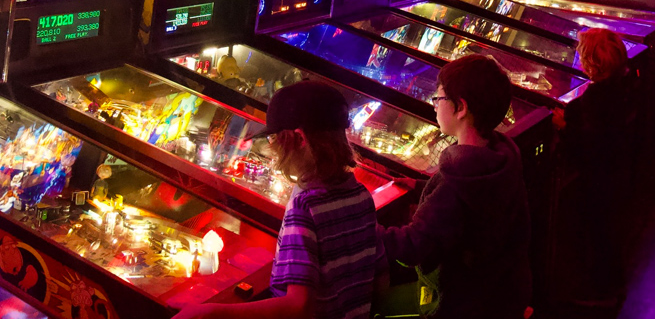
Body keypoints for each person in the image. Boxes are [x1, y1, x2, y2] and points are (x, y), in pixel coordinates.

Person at [173, 81, 387, 319]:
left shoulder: (305, 208)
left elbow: (298, 305)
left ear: (298, 139)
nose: (272, 149)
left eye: (274, 140)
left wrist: (212, 313)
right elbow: (380, 280)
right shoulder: (360, 195)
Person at [376, 54, 532, 319]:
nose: (434, 105)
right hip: (500, 292)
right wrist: (418, 185)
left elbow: (413, 247)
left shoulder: (456, 182)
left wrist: (365, 228)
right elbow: (470, 199)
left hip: (460, 302)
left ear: (460, 108)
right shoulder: (499, 156)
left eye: (439, 98)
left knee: (378, 306)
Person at [552, 28, 631, 308]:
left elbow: (591, 144)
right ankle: (612, 284)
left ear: (590, 63)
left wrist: (564, 127)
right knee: (608, 231)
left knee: (598, 232)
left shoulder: (596, 98)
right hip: (616, 173)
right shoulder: (619, 87)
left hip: (598, 178)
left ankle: (600, 292)